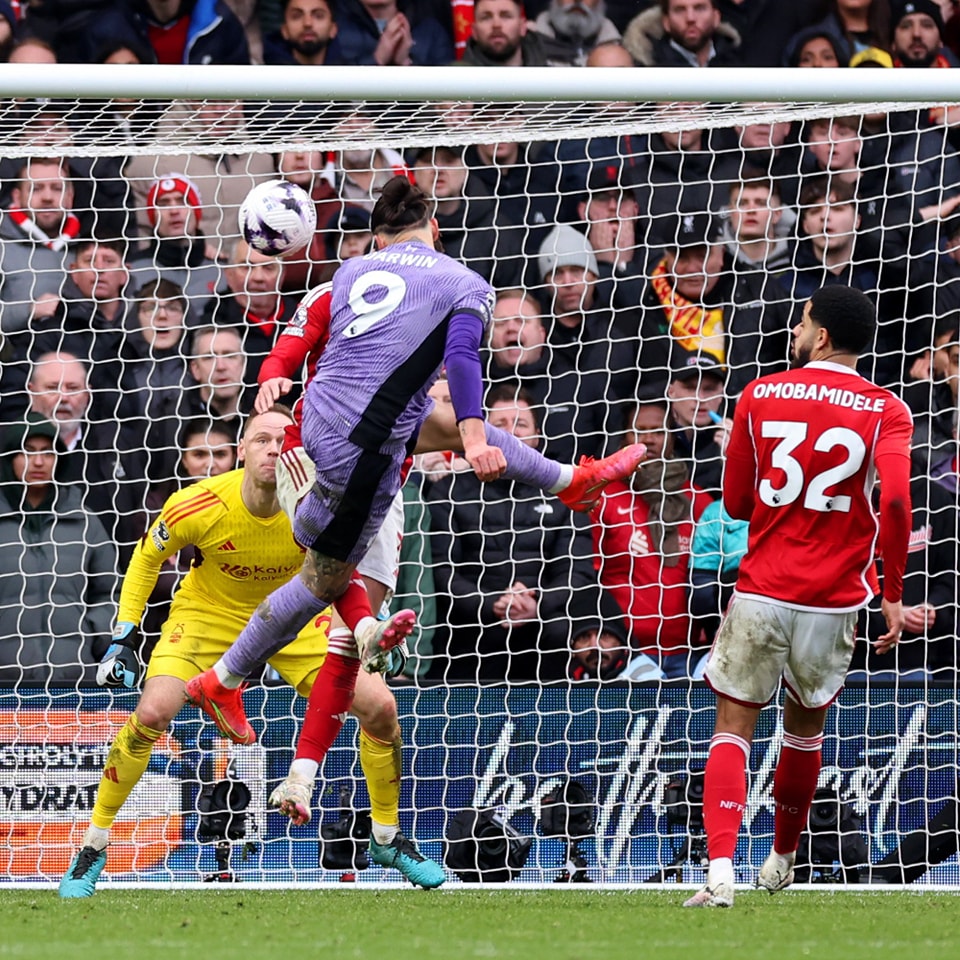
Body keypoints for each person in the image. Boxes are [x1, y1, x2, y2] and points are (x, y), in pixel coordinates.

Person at [185, 176, 645, 747]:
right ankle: (245, 672)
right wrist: (474, 440)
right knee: (325, 583)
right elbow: (462, 361)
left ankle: (571, 479)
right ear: (436, 229)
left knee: (421, 446)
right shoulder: (462, 281)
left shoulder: (350, 273)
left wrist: (273, 373)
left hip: (326, 431)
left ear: (379, 241)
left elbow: (294, 338)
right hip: (352, 458)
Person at [57, 406, 442, 896]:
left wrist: (364, 628)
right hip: (208, 615)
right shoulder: (199, 503)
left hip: (296, 615)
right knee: (153, 711)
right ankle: (93, 846)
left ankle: (387, 838)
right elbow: (147, 557)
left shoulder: (317, 507)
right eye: (261, 439)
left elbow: (338, 576)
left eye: (284, 439)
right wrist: (124, 634)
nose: (274, 447)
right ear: (240, 451)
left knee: (381, 707)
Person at [684, 285, 912, 908]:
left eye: (803, 320)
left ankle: (721, 872)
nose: (795, 329)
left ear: (824, 336)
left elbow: (732, 504)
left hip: (763, 587)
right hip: (835, 598)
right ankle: (782, 860)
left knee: (733, 728)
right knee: (804, 731)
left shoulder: (760, 394)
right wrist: (891, 593)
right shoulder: (887, 410)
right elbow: (894, 501)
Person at [0, 413, 116, 685]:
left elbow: (111, 591)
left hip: (74, 683)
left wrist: (92, 634)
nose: (38, 461)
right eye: (27, 452)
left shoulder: (84, 519)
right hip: (4, 683)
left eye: (47, 452)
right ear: (10, 458)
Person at [263, 0, 344, 65]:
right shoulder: (261, 78)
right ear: (284, 30)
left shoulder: (351, 77)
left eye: (318, 16)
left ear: (333, 29)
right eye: (296, 16)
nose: (307, 23)